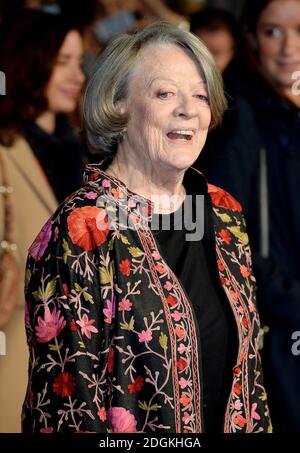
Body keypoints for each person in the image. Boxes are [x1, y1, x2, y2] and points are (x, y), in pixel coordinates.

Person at [22, 22, 271, 433]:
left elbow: (252, 384)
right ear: (119, 104)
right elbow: (66, 412)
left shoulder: (224, 214)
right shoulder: (81, 231)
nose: (188, 109)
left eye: (200, 95)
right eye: (164, 93)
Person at [204, 0, 300, 432]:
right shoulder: (240, 114)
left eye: (299, 30)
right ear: (252, 39)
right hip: (277, 336)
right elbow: (226, 237)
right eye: (271, 32)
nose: (288, 48)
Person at [0, 10, 85, 432]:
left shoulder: (82, 158)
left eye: (78, 62)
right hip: (14, 350)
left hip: (73, 367)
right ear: (32, 61)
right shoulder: (5, 150)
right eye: (62, 61)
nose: (77, 75)